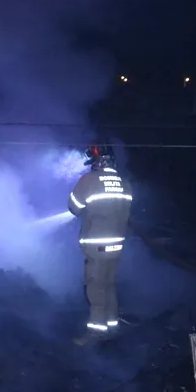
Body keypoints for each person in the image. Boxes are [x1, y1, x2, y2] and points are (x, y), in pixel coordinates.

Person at [68, 145, 133, 344]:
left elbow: (74, 208)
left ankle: (96, 332)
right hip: (117, 245)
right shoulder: (124, 183)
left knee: (96, 288)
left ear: (97, 161)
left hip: (96, 247)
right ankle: (112, 326)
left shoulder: (88, 181)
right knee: (109, 285)